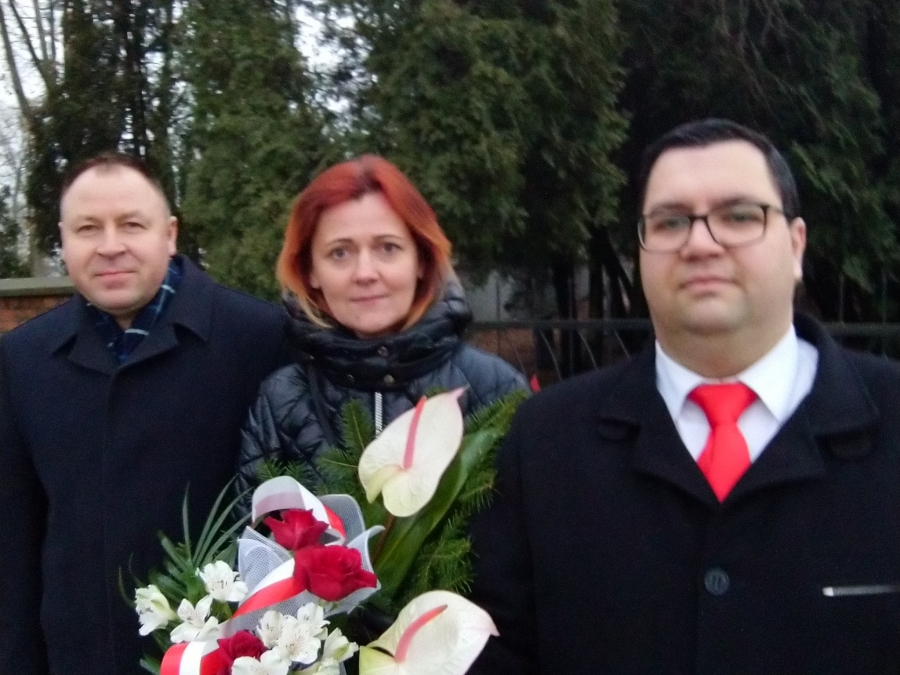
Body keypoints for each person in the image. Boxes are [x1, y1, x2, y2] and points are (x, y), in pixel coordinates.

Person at [468, 119, 900, 674]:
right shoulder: (546, 441)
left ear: (796, 246)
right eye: (670, 222)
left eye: (738, 216)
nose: (699, 243)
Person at [0, 153, 288, 675]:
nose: (110, 245)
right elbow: (14, 547)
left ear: (169, 234)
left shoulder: (259, 340)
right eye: (88, 228)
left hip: (227, 659)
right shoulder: (22, 360)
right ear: (63, 240)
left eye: (132, 224)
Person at [237, 155, 527, 503]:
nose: (365, 273)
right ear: (311, 271)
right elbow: (254, 524)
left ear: (421, 260)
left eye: (388, 248)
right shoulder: (282, 399)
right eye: (340, 253)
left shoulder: (495, 388)